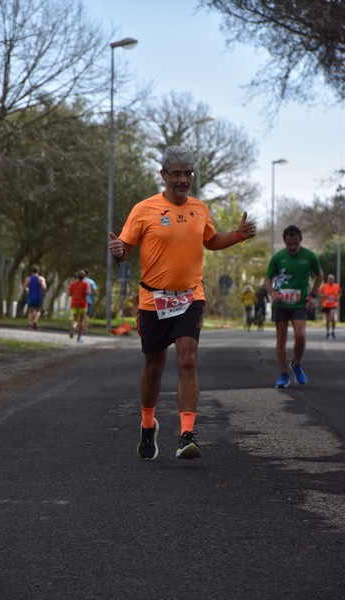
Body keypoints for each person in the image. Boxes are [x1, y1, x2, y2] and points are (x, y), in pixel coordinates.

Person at [109, 145, 256, 461]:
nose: (182, 179)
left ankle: (186, 434)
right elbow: (126, 247)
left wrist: (238, 235)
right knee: (154, 366)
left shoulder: (200, 209)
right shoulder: (144, 209)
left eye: (187, 173)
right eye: (176, 173)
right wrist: (119, 251)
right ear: (163, 175)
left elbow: (211, 241)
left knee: (187, 360)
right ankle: (148, 425)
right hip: (153, 300)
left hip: (191, 297)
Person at [263, 225, 323, 389]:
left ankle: (296, 364)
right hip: (281, 303)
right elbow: (267, 280)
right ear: (285, 242)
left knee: (300, 335)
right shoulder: (278, 258)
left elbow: (319, 275)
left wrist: (312, 295)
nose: (292, 247)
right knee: (281, 338)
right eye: (289, 244)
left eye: (295, 243)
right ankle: (283, 375)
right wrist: (272, 293)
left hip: (299, 303)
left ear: (300, 241)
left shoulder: (309, 256)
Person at [68, 270, 90, 341]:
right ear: (84, 277)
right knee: (81, 320)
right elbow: (87, 292)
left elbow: (69, 294)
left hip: (74, 303)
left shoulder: (72, 284)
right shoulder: (86, 284)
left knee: (75, 319)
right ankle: (79, 337)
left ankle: (73, 327)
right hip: (83, 304)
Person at [23, 266, 47, 330]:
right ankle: (35, 321)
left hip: (30, 295)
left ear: (31, 272)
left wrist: (27, 289)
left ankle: (30, 325)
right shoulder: (41, 279)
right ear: (38, 271)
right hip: (38, 296)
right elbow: (44, 287)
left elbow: (24, 287)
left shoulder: (28, 279)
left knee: (30, 310)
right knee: (38, 310)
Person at [320, 273, 342, 339]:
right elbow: (320, 294)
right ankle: (328, 332)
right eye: (329, 279)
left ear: (334, 279)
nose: (330, 280)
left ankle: (333, 331)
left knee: (332, 318)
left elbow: (340, 292)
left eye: (332, 279)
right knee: (327, 320)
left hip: (333, 304)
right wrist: (325, 296)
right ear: (327, 279)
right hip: (326, 304)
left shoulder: (336, 286)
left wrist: (337, 297)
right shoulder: (324, 286)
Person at [83, 268, 97, 334]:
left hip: (79, 301)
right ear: (88, 274)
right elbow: (95, 291)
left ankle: (78, 328)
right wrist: (91, 294)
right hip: (88, 301)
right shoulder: (91, 282)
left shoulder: (78, 281)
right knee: (87, 315)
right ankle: (85, 329)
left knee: (79, 315)